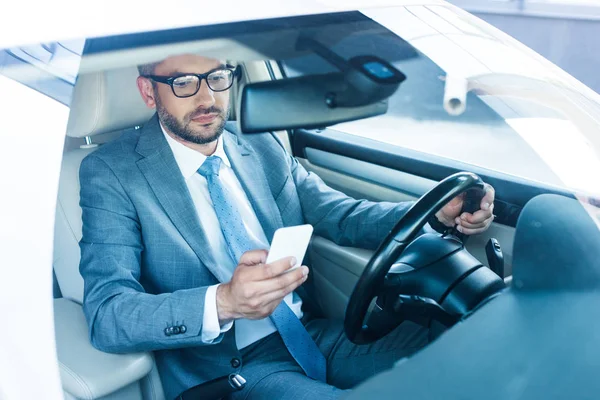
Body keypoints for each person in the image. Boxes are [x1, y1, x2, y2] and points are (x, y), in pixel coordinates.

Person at [79, 53, 495, 400]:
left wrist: (437, 214)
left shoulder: (260, 145)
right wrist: (224, 301)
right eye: (185, 82)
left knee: (472, 353)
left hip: (312, 335)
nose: (207, 97)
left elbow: (340, 214)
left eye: (218, 77)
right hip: (230, 369)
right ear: (149, 91)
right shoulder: (112, 173)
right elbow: (107, 314)